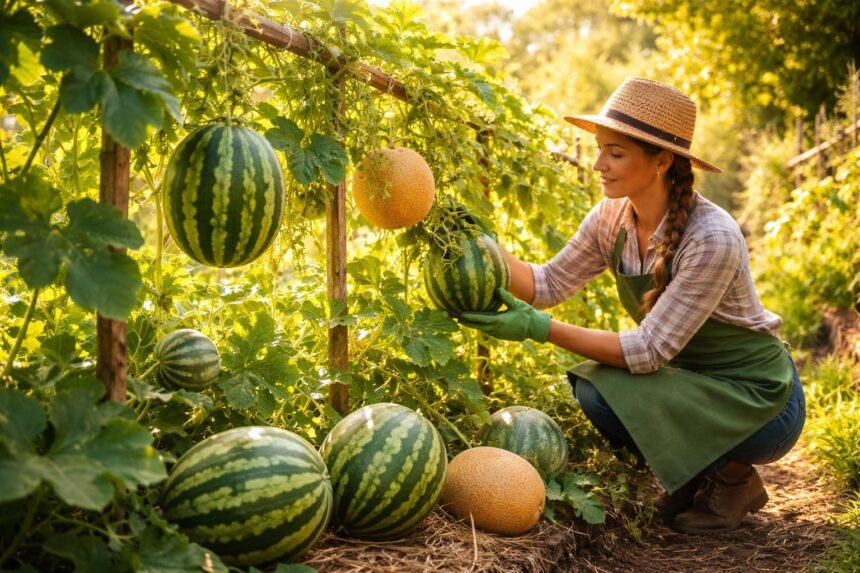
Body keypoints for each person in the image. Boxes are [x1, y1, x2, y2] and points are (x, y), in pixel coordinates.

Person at [459, 77, 806, 535]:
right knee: (596, 388)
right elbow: (547, 282)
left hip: (760, 401)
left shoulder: (711, 237)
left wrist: (540, 329)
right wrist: (479, 244)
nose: (599, 164)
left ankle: (734, 476)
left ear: (661, 160)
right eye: (600, 148)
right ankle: (697, 474)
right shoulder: (611, 218)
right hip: (692, 384)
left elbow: (647, 352)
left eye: (615, 153)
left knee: (607, 387)